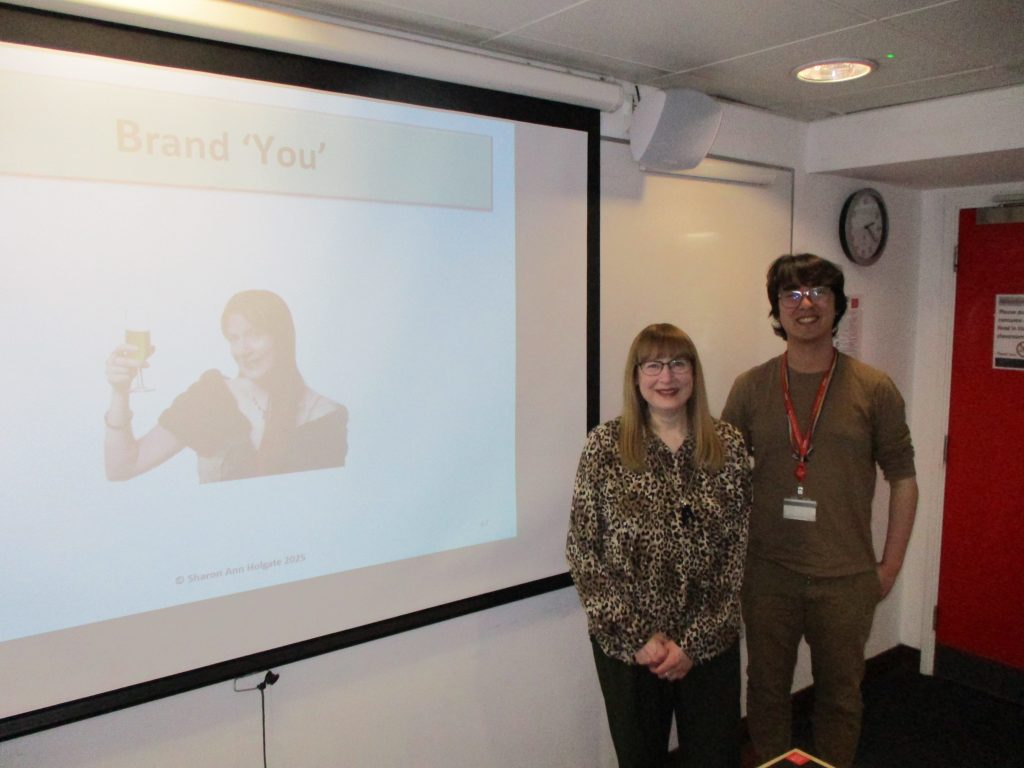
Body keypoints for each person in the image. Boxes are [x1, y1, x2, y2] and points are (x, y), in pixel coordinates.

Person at [722, 254, 918, 768]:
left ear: (837, 306)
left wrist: (889, 567)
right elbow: (720, 479)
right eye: (791, 294)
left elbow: (903, 478)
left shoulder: (874, 388)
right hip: (768, 576)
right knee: (765, 692)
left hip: (847, 579)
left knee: (840, 696)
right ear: (776, 310)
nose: (805, 304)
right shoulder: (750, 387)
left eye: (817, 293)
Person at [566, 323, 751, 768]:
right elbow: (582, 551)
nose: (666, 377)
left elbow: (735, 555)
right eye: (653, 365)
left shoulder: (727, 445)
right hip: (630, 651)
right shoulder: (604, 447)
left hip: (707, 648)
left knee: (716, 757)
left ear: (694, 373)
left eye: (678, 364)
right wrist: (638, 638)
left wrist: (691, 643)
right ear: (636, 376)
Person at [104, 289, 347, 483]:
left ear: (282, 336)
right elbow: (122, 467)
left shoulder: (326, 417)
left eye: (254, 334)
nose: (243, 349)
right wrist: (120, 392)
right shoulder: (211, 397)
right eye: (234, 338)